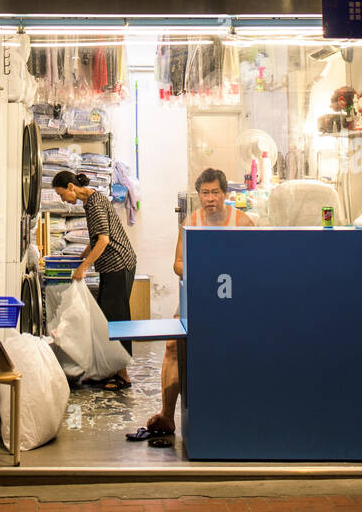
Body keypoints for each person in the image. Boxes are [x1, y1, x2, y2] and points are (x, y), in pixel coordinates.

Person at [146, 168, 253, 435]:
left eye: (215, 192)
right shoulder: (190, 223)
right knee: (173, 345)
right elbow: (178, 265)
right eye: (204, 193)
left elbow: (256, 262)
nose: (210, 198)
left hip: (234, 299)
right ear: (199, 195)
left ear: (225, 194)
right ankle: (167, 415)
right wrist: (204, 270)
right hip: (197, 295)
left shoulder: (242, 223)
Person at [51, 171, 137, 389]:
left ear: (71, 187)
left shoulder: (95, 203)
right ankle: (108, 370)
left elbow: (105, 240)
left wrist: (83, 267)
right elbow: (98, 236)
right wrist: (83, 255)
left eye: (62, 194)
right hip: (115, 265)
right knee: (105, 318)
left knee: (116, 318)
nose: (63, 200)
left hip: (118, 264)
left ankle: (123, 375)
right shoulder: (90, 200)